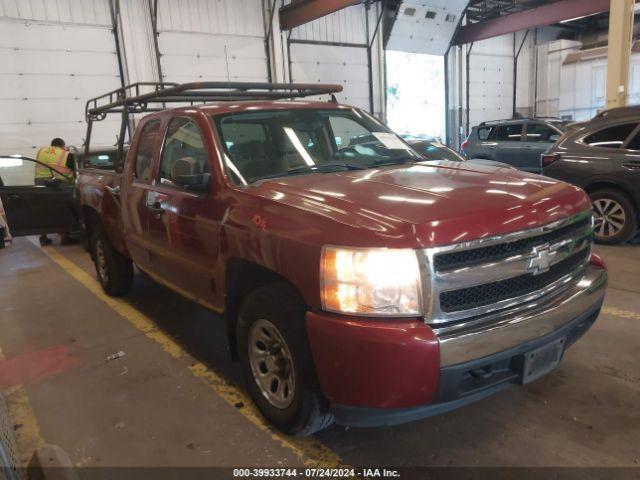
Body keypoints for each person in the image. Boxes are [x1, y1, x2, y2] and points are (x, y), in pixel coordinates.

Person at [35, 138, 75, 245]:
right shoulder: (65, 154)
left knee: (43, 211)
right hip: (56, 184)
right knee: (60, 210)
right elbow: (74, 170)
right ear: (62, 145)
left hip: (39, 183)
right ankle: (64, 238)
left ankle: (43, 238)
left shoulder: (42, 150)